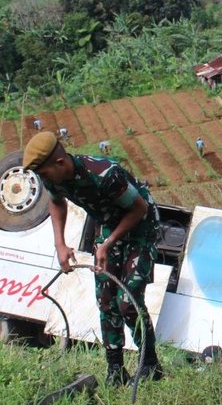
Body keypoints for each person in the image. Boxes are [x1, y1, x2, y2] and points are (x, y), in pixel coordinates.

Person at [23, 132, 163, 387]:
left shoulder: (104, 174)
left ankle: (151, 365)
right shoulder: (53, 177)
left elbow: (139, 208)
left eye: (43, 174)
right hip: (109, 225)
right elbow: (56, 204)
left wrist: (107, 244)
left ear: (60, 163)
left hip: (141, 227)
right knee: (106, 299)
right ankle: (116, 370)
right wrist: (61, 244)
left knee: (127, 300)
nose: (43, 180)